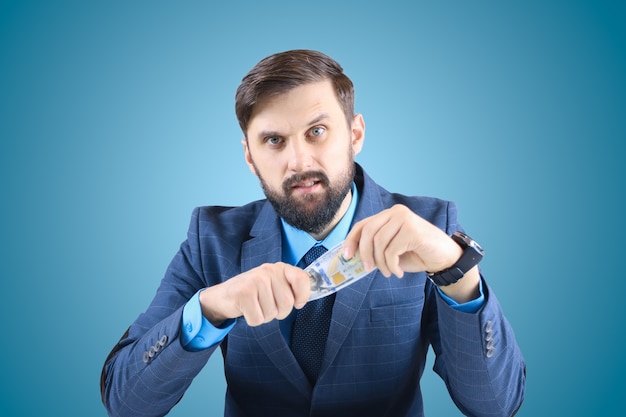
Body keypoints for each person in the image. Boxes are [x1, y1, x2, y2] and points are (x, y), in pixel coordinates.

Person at [100, 49, 525, 417]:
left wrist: (455, 269)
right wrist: (212, 307)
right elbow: (126, 402)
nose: (299, 161)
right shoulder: (210, 240)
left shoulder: (431, 227)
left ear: (355, 134)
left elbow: (496, 405)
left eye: (316, 132)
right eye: (273, 140)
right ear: (249, 156)